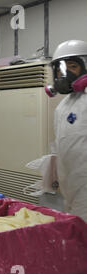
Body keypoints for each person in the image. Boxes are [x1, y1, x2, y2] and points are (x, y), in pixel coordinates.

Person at [46, 39, 87, 222]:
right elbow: (61, 144)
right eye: (60, 69)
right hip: (69, 184)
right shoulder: (62, 106)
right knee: (75, 226)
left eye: (72, 66)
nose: (65, 74)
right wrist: (51, 173)